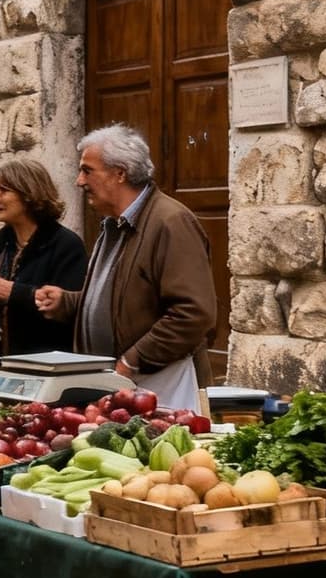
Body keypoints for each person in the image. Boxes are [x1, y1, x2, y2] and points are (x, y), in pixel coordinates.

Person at [36, 124, 217, 407]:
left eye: (87, 170)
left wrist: (132, 361)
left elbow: (193, 313)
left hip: (162, 384)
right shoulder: (113, 224)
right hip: (123, 386)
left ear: (119, 173)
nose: (79, 181)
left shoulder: (171, 222)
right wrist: (70, 303)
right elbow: (123, 299)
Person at [0, 158, 89, 373]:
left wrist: (13, 293)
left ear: (29, 195)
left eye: (3, 190)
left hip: (43, 373)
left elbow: (71, 312)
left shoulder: (65, 246)